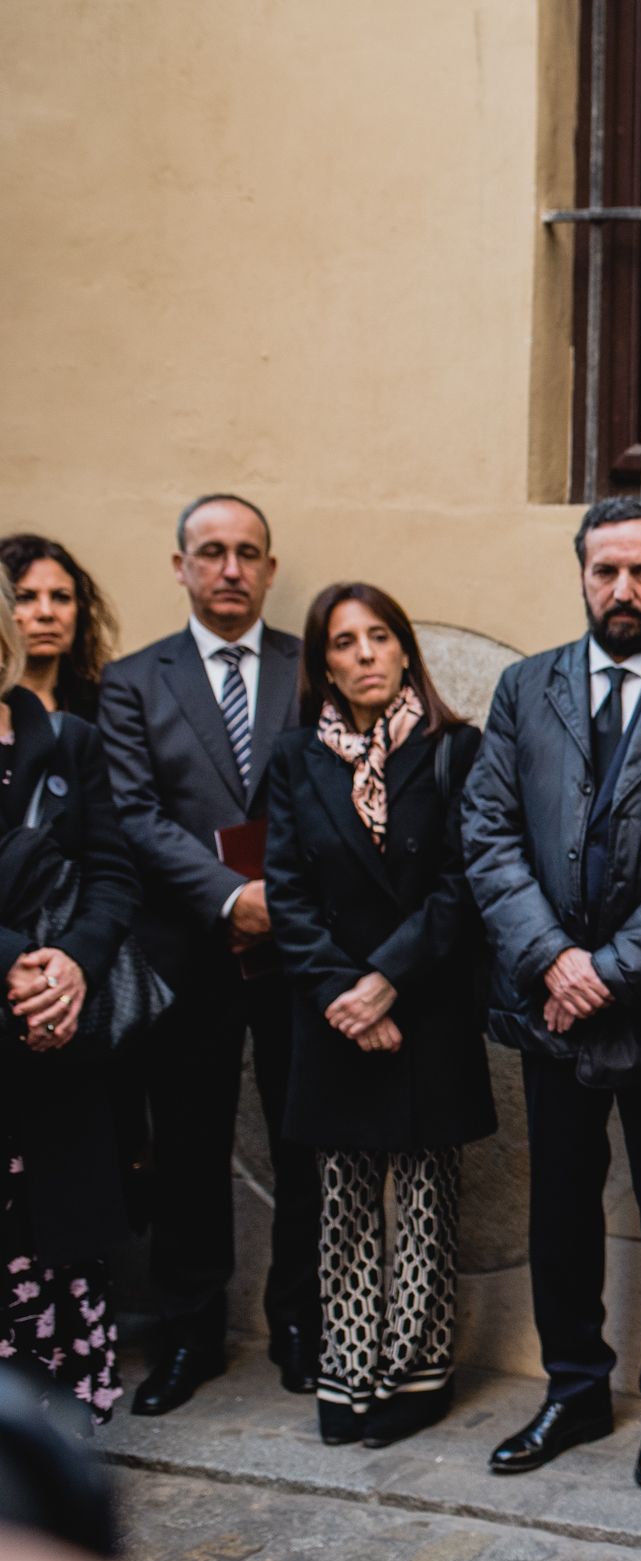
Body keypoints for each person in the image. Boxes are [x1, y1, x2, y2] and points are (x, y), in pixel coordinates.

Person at [460, 498, 641, 1487]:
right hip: (551, 1012)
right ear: (581, 573)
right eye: (606, 569)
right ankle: (573, 1389)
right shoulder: (523, 688)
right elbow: (488, 833)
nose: (624, 589)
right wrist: (553, 960)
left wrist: (609, 971)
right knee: (562, 1213)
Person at [98, 493, 320, 1414]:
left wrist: (281, 902)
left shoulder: (312, 666)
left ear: (270, 568)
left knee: (303, 1138)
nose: (231, 568)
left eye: (248, 552)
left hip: (298, 951)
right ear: (181, 565)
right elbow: (135, 812)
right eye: (212, 551)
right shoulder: (132, 680)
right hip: (187, 949)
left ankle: (299, 1321)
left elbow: (338, 797)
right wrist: (231, 896)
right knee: (189, 1146)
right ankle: (190, 1331)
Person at [262, 584, 489, 1448]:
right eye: (344, 641)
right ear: (323, 663)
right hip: (332, 1014)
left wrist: (387, 981)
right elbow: (287, 890)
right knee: (344, 1203)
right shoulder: (295, 757)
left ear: (404, 650)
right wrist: (344, 996)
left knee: (427, 1201)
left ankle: (420, 1373)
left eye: (380, 636)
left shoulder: (453, 748)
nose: (364, 653)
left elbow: (461, 882)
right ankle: (348, 1368)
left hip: (425, 1004)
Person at [0, 590, 142, 1427]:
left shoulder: (67, 740)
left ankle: (49, 1447)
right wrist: (13, 963)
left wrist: (74, 964)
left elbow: (114, 872)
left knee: (56, 1239)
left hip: (57, 1040)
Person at [0, 537, 118, 722]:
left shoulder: (106, 705)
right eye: (25, 598)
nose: (46, 613)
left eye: (61, 597)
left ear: (79, 608)